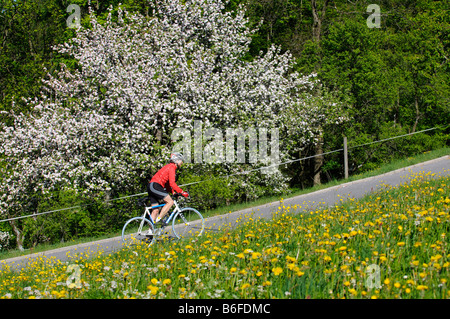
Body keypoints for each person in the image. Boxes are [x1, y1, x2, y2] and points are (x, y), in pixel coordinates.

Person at [147, 152, 189, 225]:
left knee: (155, 210)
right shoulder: (172, 167)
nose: (182, 162)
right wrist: (182, 192)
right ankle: (158, 219)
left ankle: (150, 232)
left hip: (151, 186)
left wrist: (173, 192)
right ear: (177, 160)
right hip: (156, 186)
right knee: (170, 202)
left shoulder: (168, 166)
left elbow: (167, 184)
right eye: (181, 160)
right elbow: (172, 183)